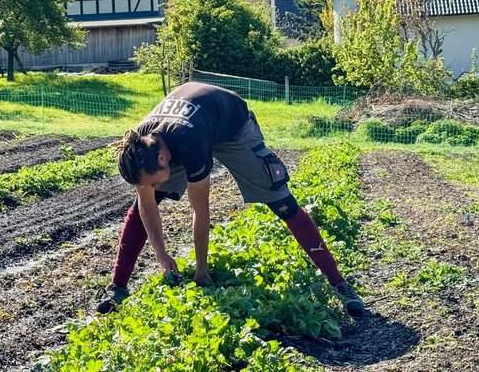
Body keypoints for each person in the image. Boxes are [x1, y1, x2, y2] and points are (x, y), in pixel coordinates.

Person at [96, 82, 364, 317]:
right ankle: (117, 287)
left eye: (153, 180)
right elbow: (146, 203)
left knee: (281, 200)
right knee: (142, 203)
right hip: (191, 124)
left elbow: (200, 211)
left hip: (233, 128)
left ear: (163, 158)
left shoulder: (191, 142)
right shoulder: (141, 147)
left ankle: (339, 283)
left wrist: (202, 269)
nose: (152, 187)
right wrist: (161, 255)